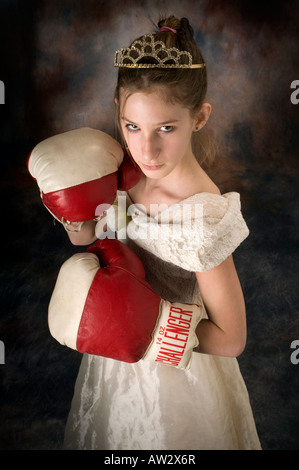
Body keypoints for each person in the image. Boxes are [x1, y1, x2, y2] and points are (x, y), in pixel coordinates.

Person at [54, 16, 261, 450]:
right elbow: (95, 238)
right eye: (133, 127)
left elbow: (233, 338)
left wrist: (151, 328)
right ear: (118, 112)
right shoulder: (120, 170)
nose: (147, 150)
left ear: (199, 117)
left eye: (166, 128)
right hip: (112, 353)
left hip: (179, 373)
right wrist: (79, 223)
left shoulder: (200, 214)